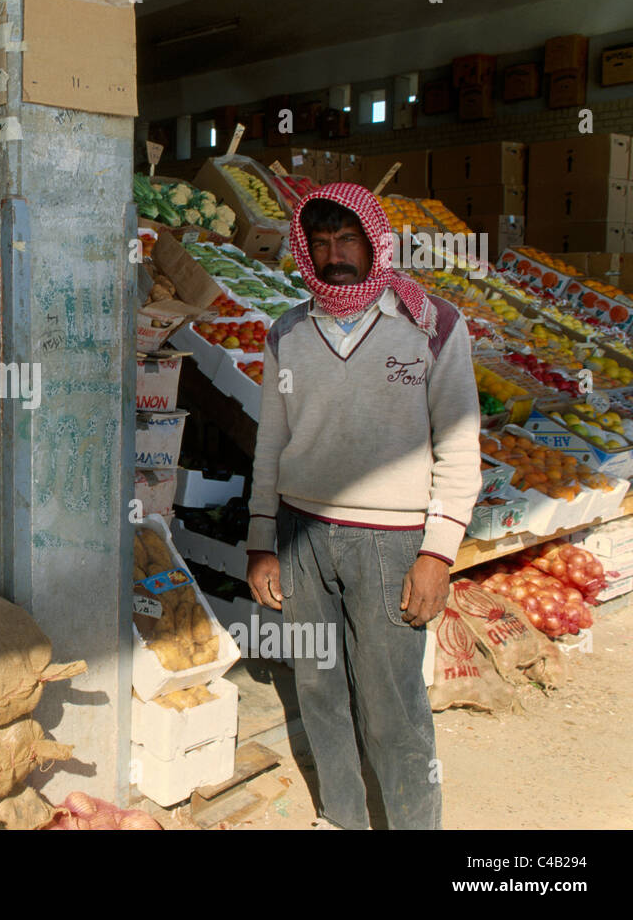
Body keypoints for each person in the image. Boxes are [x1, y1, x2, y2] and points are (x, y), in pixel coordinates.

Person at [244, 182, 480, 831]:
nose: (334, 255)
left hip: (390, 543)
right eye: (320, 242)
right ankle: (342, 817)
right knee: (318, 689)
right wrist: (262, 538)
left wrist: (438, 553)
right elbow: (271, 444)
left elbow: (460, 447)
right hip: (301, 537)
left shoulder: (432, 325)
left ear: (376, 243)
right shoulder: (288, 332)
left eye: (347, 239)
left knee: (392, 706)